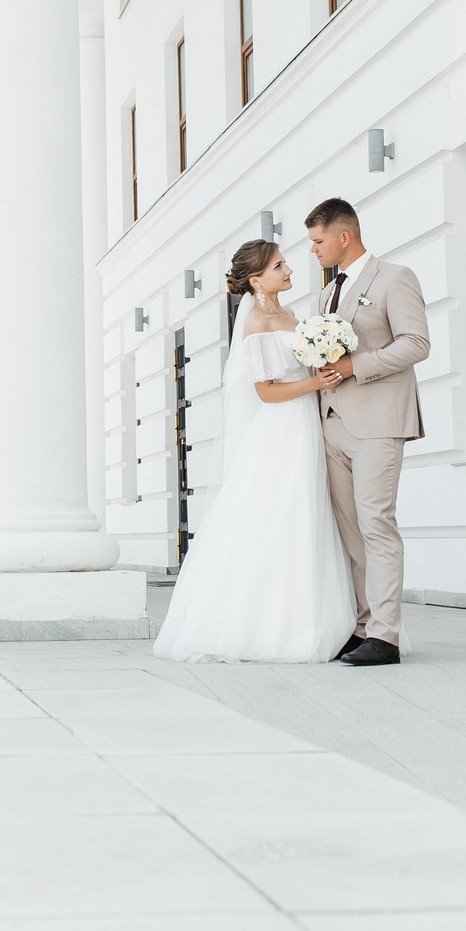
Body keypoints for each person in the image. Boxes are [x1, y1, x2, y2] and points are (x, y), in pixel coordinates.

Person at [153, 239, 357, 663]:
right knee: (282, 511)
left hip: (306, 424)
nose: (288, 270)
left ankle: (316, 617)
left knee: (309, 513)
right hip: (281, 428)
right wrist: (316, 383)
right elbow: (265, 391)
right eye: (279, 266)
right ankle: (268, 625)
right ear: (256, 279)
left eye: (285, 263)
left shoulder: (291, 315)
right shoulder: (258, 322)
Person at [306, 198, 430, 667]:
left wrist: (354, 366)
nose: (313, 250)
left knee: (377, 525)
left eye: (318, 241)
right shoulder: (323, 295)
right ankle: (362, 629)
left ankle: (386, 635)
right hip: (331, 423)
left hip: (379, 423)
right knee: (350, 532)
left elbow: (416, 344)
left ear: (344, 236)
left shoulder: (395, 278)